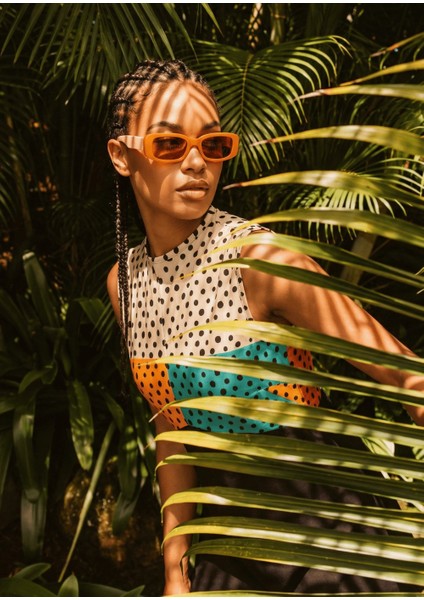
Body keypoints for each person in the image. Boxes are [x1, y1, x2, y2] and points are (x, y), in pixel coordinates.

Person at [106, 59, 424, 595]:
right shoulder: (124, 284)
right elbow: (171, 432)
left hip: (331, 546)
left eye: (213, 145)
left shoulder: (260, 259)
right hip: (227, 549)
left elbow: (409, 378)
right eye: (170, 144)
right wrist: (175, 573)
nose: (196, 162)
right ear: (122, 155)